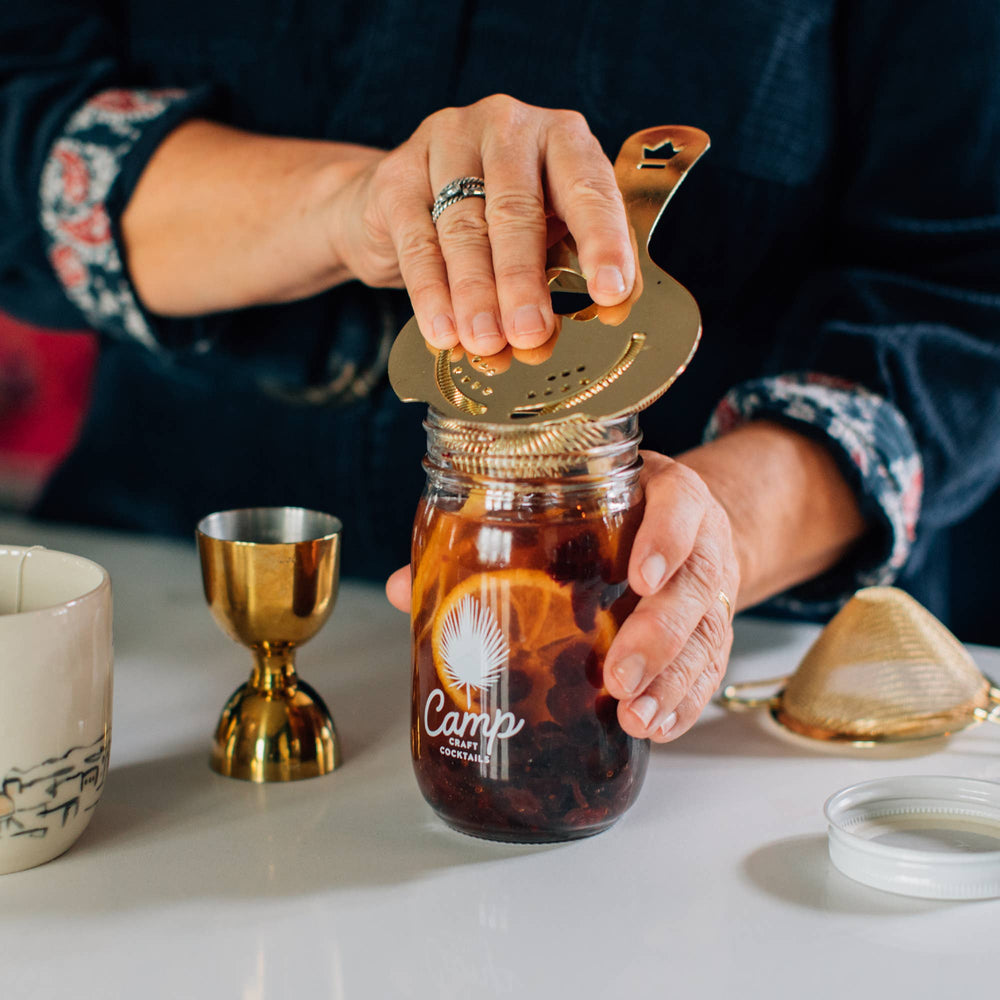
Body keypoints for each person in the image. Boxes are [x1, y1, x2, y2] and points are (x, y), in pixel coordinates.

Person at [2, 1, 998, 742]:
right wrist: (348, 205)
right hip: (150, 624)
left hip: (716, 692)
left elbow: (964, 291)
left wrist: (719, 533)